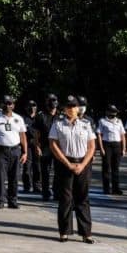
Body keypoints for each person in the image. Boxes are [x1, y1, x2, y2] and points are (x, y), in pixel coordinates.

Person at [48, 95, 96, 243]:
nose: (72, 109)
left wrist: (82, 164)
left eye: (74, 106)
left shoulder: (86, 124)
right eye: (69, 106)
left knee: (82, 198)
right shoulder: (58, 124)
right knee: (65, 198)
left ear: (77, 108)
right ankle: (64, 231)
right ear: (64, 108)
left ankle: (86, 233)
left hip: (82, 163)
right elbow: (53, 144)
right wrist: (67, 163)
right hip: (65, 163)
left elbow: (91, 147)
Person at [0, 95, 28, 209]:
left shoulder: (18, 118)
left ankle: (13, 200)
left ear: (13, 105)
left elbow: (23, 136)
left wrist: (25, 152)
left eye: (10, 103)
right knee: (0, 177)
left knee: (14, 177)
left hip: (15, 151)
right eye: (5, 103)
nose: (7, 105)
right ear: (1, 104)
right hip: (0, 151)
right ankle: (0, 200)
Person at [33, 95, 59, 201]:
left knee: (58, 170)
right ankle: (46, 193)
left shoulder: (61, 116)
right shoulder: (41, 115)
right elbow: (36, 133)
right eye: (50, 101)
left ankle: (57, 192)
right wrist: (37, 146)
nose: (52, 103)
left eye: (54, 101)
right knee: (45, 171)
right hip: (45, 146)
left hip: (58, 147)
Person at [96, 105, 125, 195]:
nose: (113, 113)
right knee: (106, 167)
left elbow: (122, 135)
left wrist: (124, 148)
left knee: (115, 167)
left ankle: (116, 188)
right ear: (107, 112)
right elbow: (99, 134)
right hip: (107, 144)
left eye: (115, 112)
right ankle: (106, 188)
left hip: (117, 145)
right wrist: (101, 148)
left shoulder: (119, 121)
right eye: (112, 111)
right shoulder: (102, 121)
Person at [21, 100, 39, 193]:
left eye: (34, 105)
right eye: (30, 105)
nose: (32, 108)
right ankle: (27, 186)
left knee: (37, 166)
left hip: (37, 144)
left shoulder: (39, 118)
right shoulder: (23, 119)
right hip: (27, 144)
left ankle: (37, 186)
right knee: (27, 166)